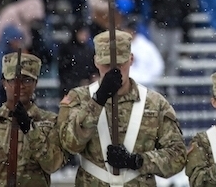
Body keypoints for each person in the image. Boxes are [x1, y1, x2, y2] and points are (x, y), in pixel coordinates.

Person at [56, 30, 187, 187]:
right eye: (106, 65)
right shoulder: (79, 98)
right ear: (96, 62)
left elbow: (177, 156)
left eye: (119, 64)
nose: (113, 71)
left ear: (131, 59)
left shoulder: (154, 103)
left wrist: (137, 161)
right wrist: (98, 100)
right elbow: (69, 145)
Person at [0, 52, 66, 187]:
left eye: (27, 80)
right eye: (13, 80)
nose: (20, 86)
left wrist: (30, 129)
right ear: (4, 82)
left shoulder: (50, 122)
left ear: (36, 83)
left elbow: (52, 164)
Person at [57, 18, 98, 97]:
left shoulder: (90, 50)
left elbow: (93, 69)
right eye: (82, 32)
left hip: (88, 90)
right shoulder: (66, 49)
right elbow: (63, 72)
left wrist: (92, 78)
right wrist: (78, 83)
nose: (84, 35)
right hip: (71, 91)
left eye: (86, 33)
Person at [127, 20, 164, 89]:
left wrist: (147, 79)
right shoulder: (121, 46)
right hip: (127, 86)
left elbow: (158, 66)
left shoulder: (146, 46)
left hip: (146, 86)